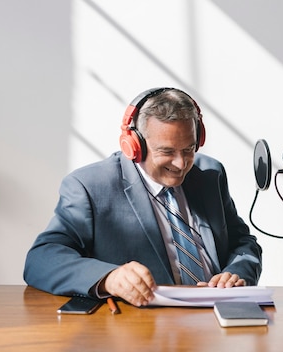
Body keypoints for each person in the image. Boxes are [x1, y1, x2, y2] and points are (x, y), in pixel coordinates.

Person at [24, 87, 262, 307]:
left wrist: (237, 273)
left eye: (188, 149)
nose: (181, 164)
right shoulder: (90, 186)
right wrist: (108, 278)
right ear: (134, 146)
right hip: (146, 323)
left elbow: (243, 242)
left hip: (218, 314)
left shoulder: (210, 174)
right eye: (167, 151)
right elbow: (41, 259)